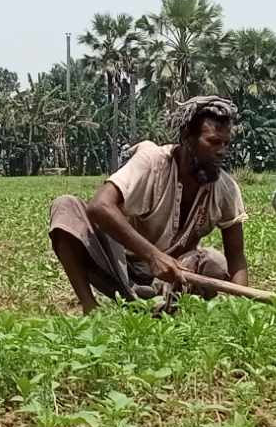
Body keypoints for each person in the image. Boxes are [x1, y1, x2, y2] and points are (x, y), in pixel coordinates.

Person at [48, 95, 251, 314]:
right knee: (65, 207)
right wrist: (153, 256)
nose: (221, 151)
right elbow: (99, 206)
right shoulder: (153, 162)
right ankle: (90, 307)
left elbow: (236, 257)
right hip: (122, 268)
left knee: (214, 263)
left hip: (174, 278)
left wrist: (240, 308)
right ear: (187, 138)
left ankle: (165, 306)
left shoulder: (225, 188)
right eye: (212, 142)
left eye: (226, 143)